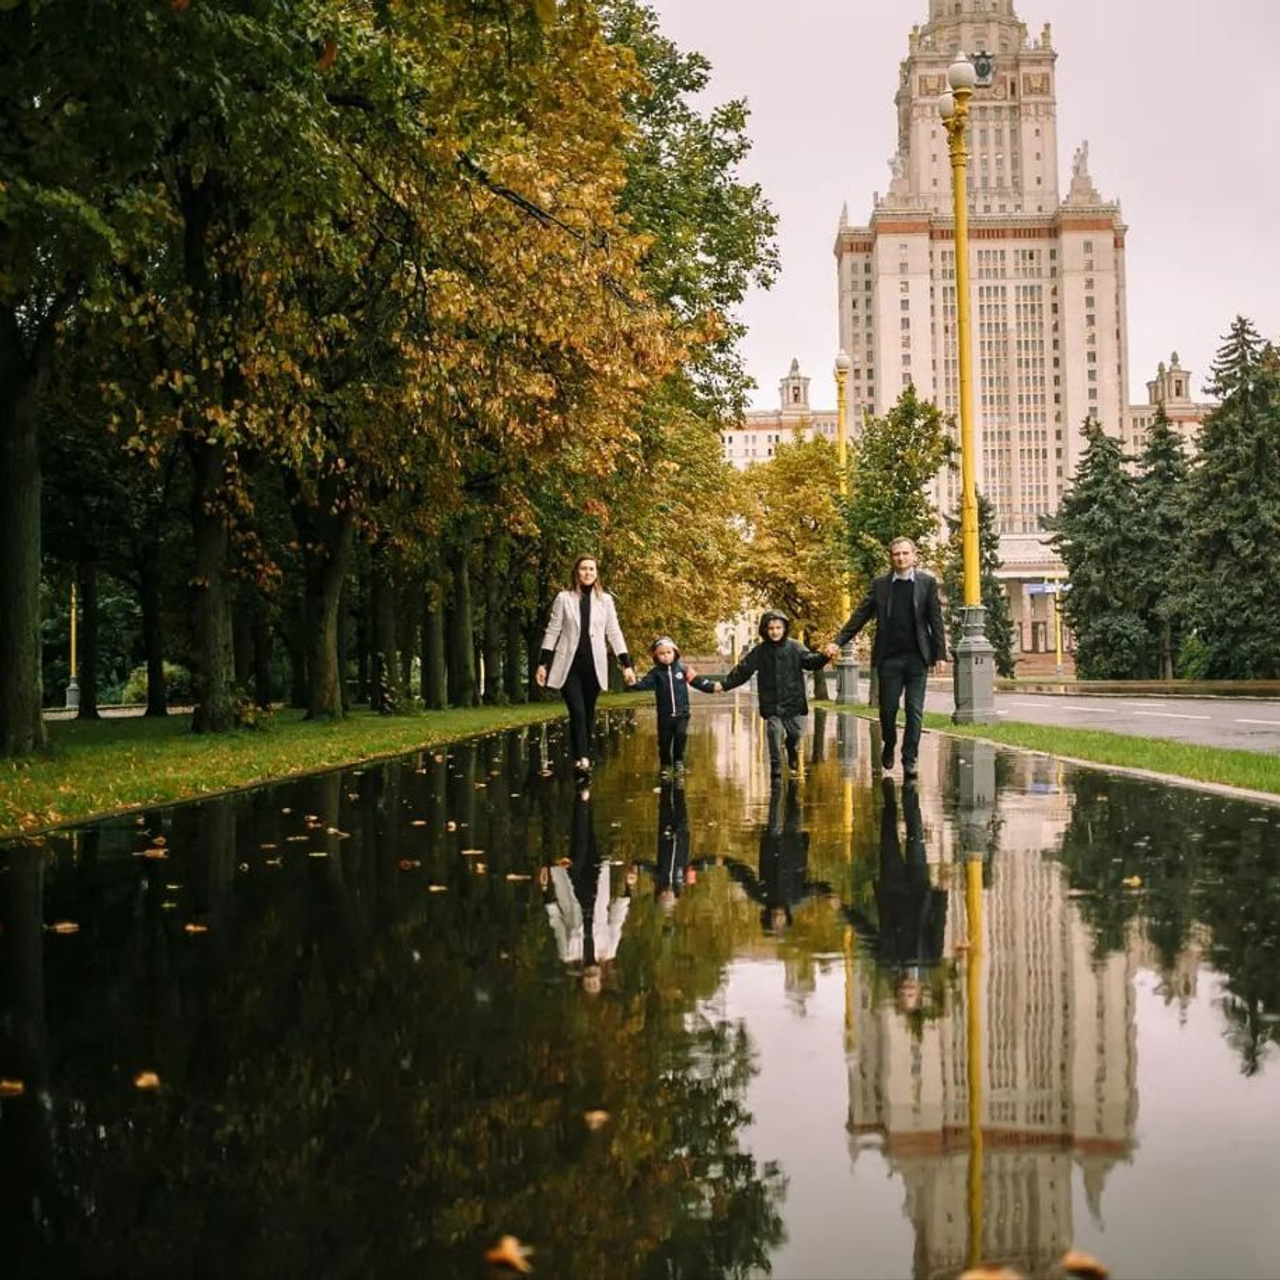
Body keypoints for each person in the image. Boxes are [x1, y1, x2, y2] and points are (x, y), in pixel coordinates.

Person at [825, 537, 946, 780]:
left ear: (914, 555)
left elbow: (935, 620)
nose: (900, 558)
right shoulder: (880, 585)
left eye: (904, 553)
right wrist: (838, 641)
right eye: (896, 554)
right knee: (888, 711)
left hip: (916, 659)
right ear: (891, 557)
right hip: (889, 660)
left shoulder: (927, 583)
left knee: (914, 712)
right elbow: (860, 616)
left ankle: (909, 757)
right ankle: (889, 744)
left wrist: (940, 654)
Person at [536, 555, 635, 777]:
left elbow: (614, 632)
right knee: (578, 712)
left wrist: (626, 665)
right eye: (583, 569)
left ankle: (582, 754)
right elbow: (553, 631)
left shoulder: (606, 600)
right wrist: (543, 664)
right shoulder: (564, 598)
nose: (588, 572)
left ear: (596, 573)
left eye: (591, 569)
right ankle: (582, 758)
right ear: (576, 572)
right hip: (568, 666)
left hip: (594, 666)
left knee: (588, 713)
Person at [541, 787, 633, 994]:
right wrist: (628, 889)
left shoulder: (568, 954)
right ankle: (583, 797)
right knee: (588, 842)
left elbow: (556, 922)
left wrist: (546, 891)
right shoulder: (608, 950)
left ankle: (582, 797)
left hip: (573, 891)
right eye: (596, 983)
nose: (592, 981)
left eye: (588, 983)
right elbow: (617, 921)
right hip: (596, 894)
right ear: (601, 977)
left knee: (580, 847)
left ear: (582, 978)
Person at [718, 611, 829, 779]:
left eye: (778, 628)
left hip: (794, 701)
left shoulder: (795, 647)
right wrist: (724, 685)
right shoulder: (760, 651)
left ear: (784, 629)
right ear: (765, 630)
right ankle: (776, 765)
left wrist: (824, 657)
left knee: (795, 734)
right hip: (772, 702)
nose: (775, 632)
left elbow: (810, 661)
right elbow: (743, 670)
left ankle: (791, 750)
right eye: (771, 628)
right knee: (774, 731)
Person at [627, 635, 716, 779]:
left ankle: (678, 761)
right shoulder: (656, 673)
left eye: (668, 652)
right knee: (664, 741)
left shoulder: (683, 669)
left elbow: (698, 681)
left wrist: (713, 687)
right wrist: (633, 683)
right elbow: (643, 684)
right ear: (656, 656)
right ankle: (665, 764)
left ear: (675, 652)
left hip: (682, 713)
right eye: (661, 654)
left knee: (681, 736)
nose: (666, 656)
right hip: (665, 715)